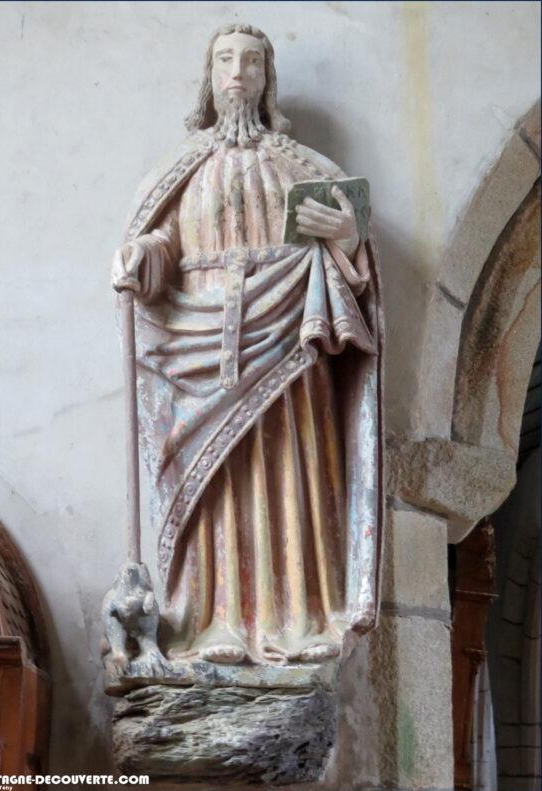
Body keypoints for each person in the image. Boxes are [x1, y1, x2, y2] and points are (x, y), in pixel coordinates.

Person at [111, 23, 383, 666]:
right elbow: (163, 247)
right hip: (198, 349)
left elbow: (357, 259)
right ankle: (212, 626)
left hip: (289, 344)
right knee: (211, 487)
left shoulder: (304, 166)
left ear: (268, 79)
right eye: (226, 60)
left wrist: (346, 234)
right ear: (209, 78)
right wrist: (138, 256)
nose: (238, 71)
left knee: (289, 470)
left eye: (253, 61)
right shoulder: (182, 169)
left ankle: (297, 620)